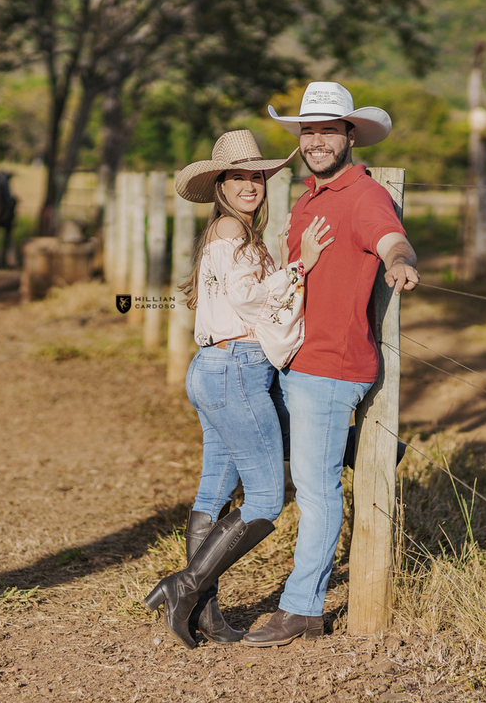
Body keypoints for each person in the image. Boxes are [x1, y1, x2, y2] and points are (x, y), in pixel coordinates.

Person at [243, 82, 420, 647]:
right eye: (308, 131)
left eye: (327, 130)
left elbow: (393, 239)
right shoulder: (306, 198)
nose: (316, 140)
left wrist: (399, 263)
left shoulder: (364, 194)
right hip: (300, 357)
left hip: (333, 363)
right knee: (302, 469)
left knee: (316, 492)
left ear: (349, 134)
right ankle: (364, 450)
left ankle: (302, 608)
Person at [144, 130, 333, 649]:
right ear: (219, 185)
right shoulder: (231, 230)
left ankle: (203, 612)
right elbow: (247, 297)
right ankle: (185, 586)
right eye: (239, 177)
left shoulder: (233, 234)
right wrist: (302, 265)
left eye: (258, 176)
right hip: (236, 369)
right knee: (268, 497)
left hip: (215, 366)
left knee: (214, 491)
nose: (251, 185)